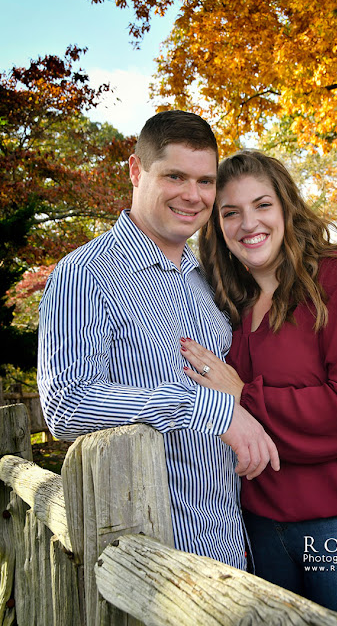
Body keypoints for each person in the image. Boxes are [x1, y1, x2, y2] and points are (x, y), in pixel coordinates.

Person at [180, 150, 337, 625]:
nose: (248, 223)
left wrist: (243, 396)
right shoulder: (227, 304)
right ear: (217, 226)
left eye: (262, 205)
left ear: (287, 207)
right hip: (262, 530)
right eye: (230, 212)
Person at [37, 113, 279, 569]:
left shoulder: (208, 279)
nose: (193, 195)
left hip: (234, 542)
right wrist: (204, 408)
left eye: (205, 181)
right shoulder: (85, 274)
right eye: (175, 176)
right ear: (135, 171)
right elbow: (65, 406)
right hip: (152, 555)